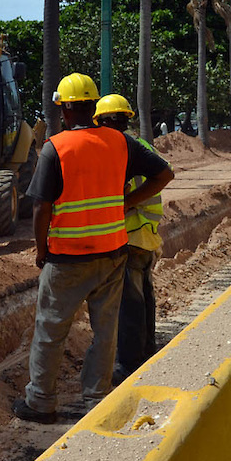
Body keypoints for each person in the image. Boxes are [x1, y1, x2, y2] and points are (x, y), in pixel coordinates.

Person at [12, 74, 175, 424]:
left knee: (51, 330)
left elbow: (41, 208)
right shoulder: (119, 143)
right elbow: (164, 175)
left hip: (68, 257)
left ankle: (41, 402)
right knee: (105, 332)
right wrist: (126, 202)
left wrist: (42, 250)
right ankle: (96, 399)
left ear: (65, 109)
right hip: (113, 254)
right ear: (92, 105)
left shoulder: (55, 148)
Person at [93, 94, 171, 386]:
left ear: (101, 121)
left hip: (129, 235)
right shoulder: (144, 146)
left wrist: (124, 204)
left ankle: (128, 364)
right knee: (143, 298)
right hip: (146, 235)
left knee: (129, 304)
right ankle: (146, 351)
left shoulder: (119, 150)